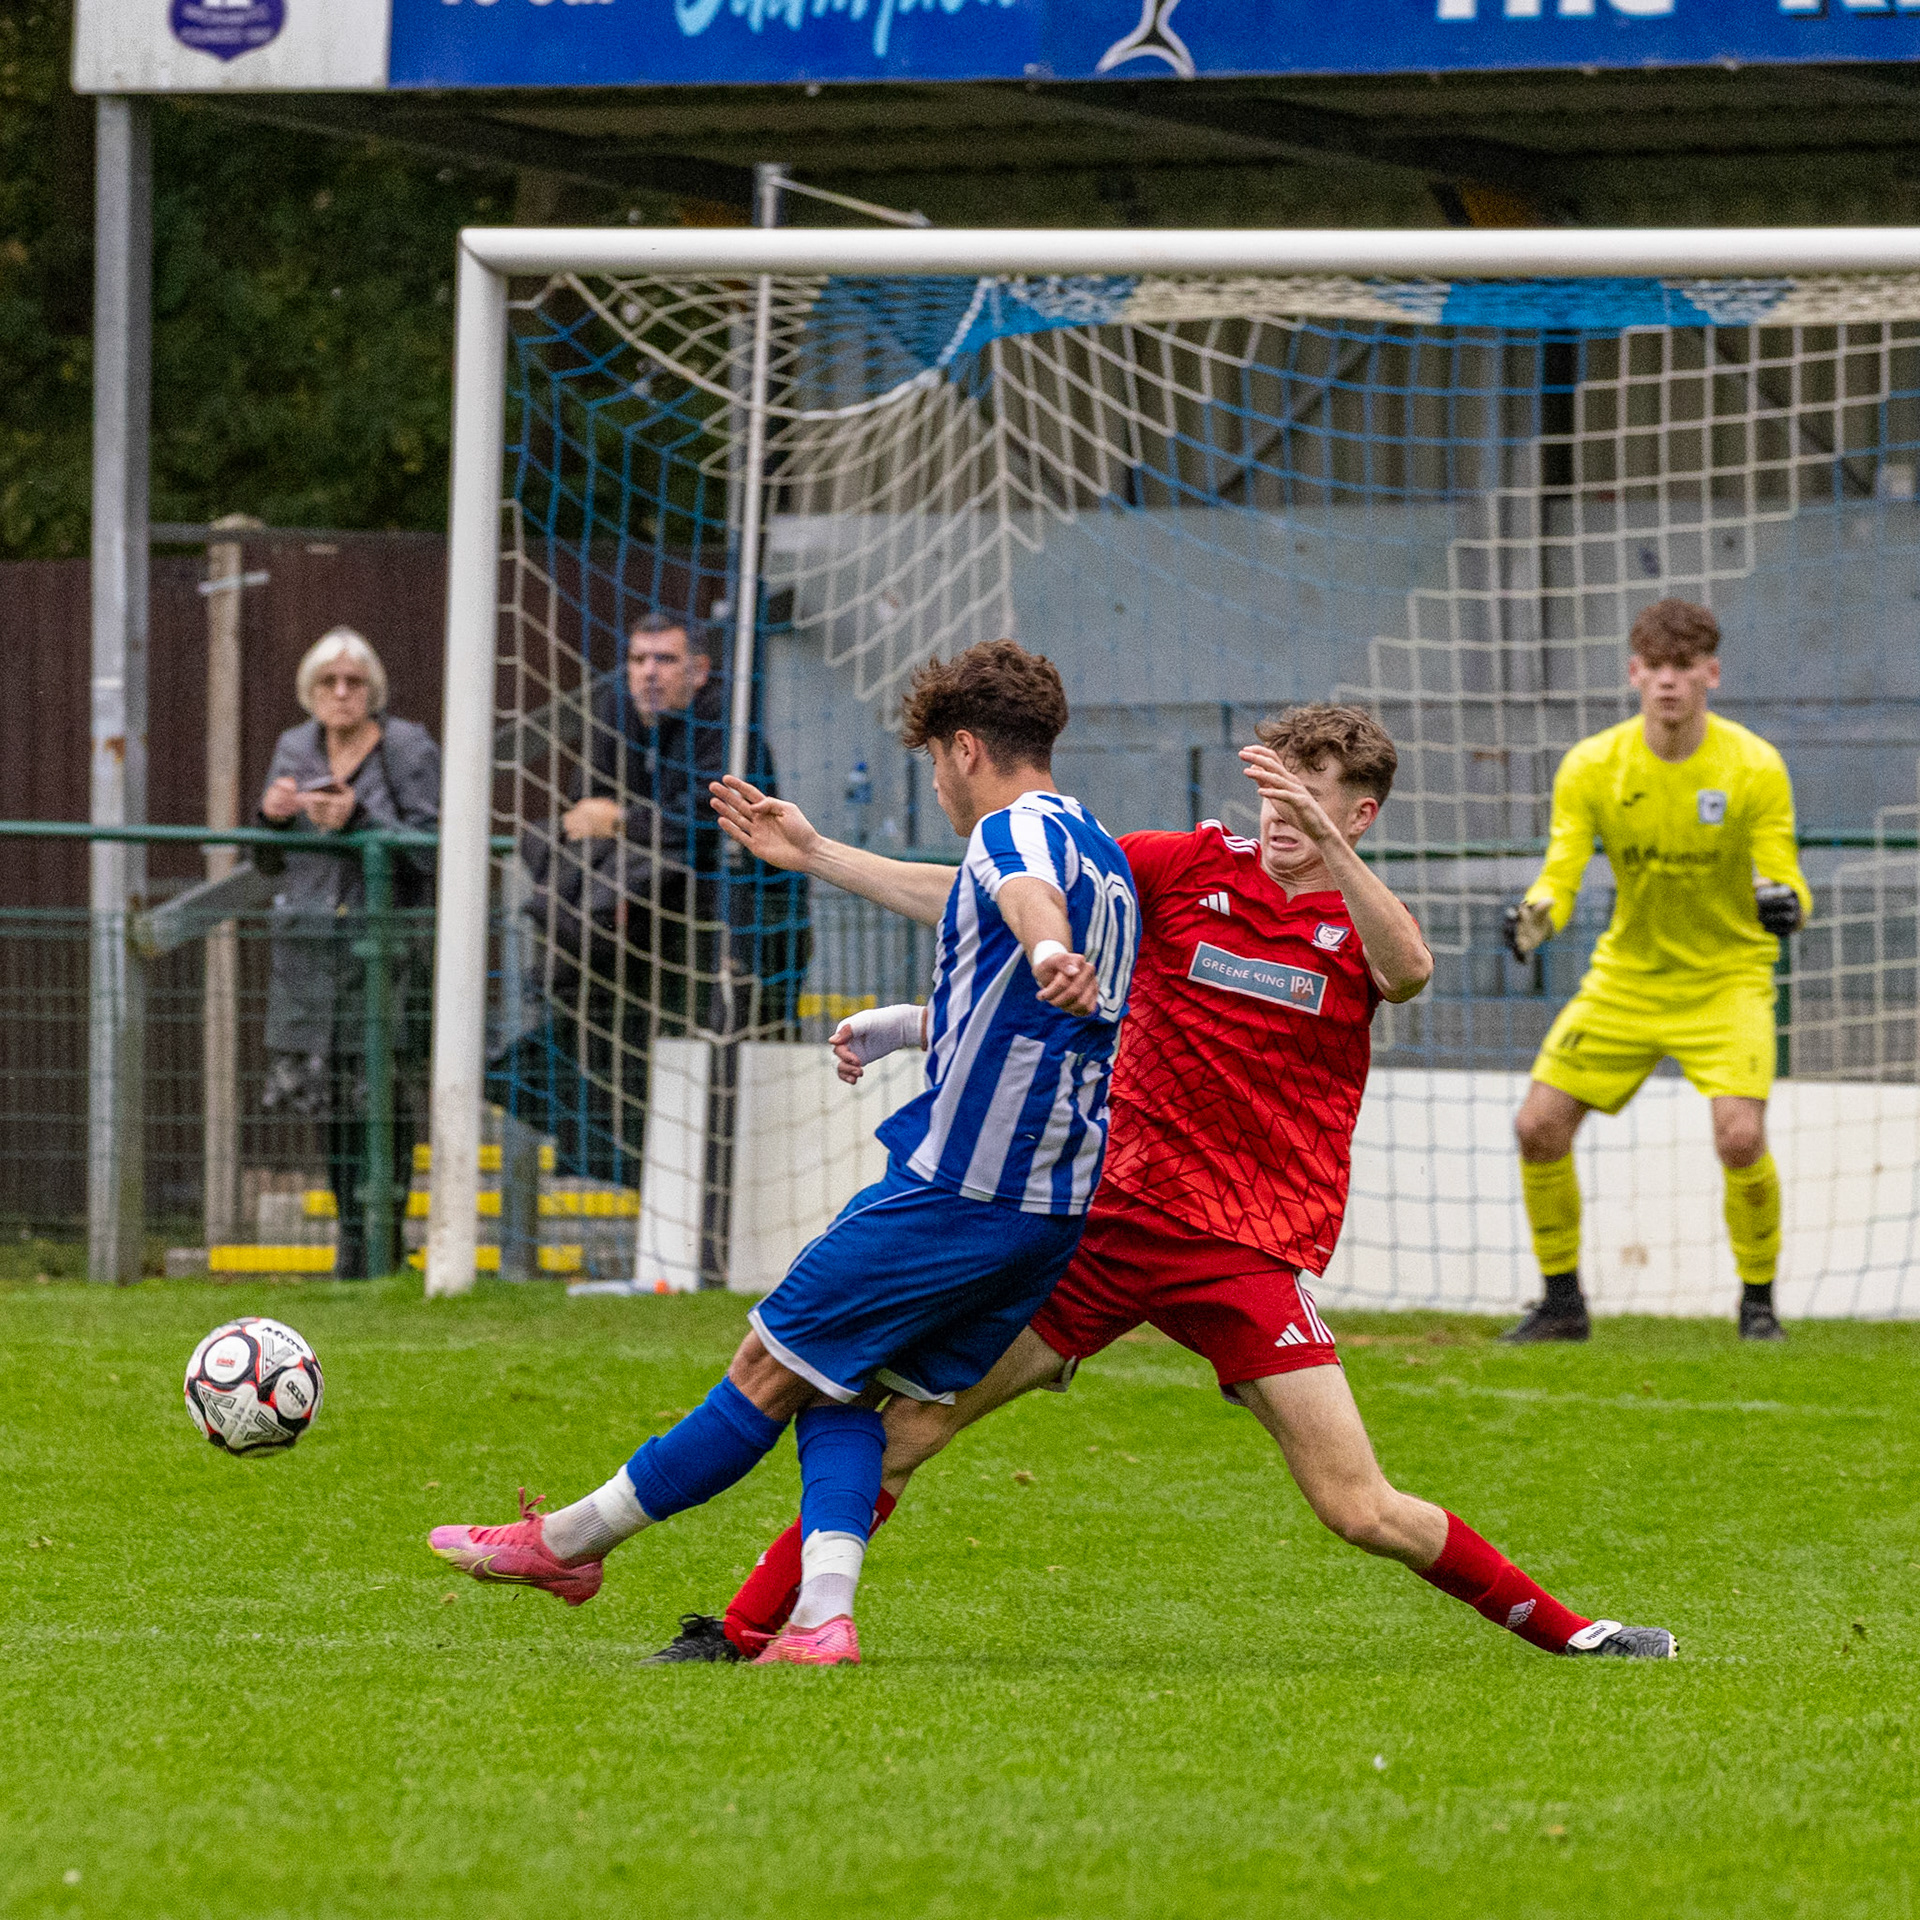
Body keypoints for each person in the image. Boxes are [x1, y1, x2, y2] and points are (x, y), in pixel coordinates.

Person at [648, 704, 1676, 1667]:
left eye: (1309, 803)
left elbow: (1408, 970)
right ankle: (740, 1632)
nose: (1281, 820)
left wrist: (1333, 848)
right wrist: (818, 854)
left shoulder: (1361, 922)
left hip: (1242, 1249)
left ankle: (1579, 1636)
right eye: (1273, 797)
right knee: (906, 1430)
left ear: (1358, 816)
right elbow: (991, 894)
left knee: (1357, 1506)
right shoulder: (1184, 867)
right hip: (1102, 1222)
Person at [431, 640, 1139, 1667]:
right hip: (1045, 1207)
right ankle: (821, 1620)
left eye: (935, 764)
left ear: (967, 749)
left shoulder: (1015, 838)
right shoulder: (1099, 852)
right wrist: (823, 868)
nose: (938, 786)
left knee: (767, 1365)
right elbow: (974, 905)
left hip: (959, 1191)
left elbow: (1020, 896)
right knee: (842, 1385)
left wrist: (1046, 948)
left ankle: (568, 1545)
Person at [1500, 598, 1810, 1345]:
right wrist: (1536, 916)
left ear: (1712, 674)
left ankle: (1758, 1307)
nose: (1669, 682)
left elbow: (1788, 881)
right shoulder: (1592, 765)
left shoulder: (1754, 766)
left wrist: (1785, 905)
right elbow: (1561, 875)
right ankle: (1562, 1305)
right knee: (1537, 1126)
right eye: (1656, 668)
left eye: (1684, 667)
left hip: (1728, 979)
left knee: (1740, 1138)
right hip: (1628, 980)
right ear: (1633, 673)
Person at [494, 612, 807, 1195]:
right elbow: (582, 815)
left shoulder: (729, 730)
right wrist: (618, 825)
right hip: (639, 941)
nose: (649, 673)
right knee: (597, 1052)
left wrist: (622, 821)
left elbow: (708, 826)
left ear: (699, 670)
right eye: (638, 660)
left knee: (711, 1079)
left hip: (731, 934)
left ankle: (707, 1196)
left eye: (665, 659)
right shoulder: (615, 716)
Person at [259, 627, 440, 1280]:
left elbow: (430, 850)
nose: (341, 693)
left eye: (354, 682)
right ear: (309, 692)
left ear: (374, 691)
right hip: (311, 952)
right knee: (329, 1103)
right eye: (328, 682)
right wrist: (271, 817)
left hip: (386, 952)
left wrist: (358, 820)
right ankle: (350, 1241)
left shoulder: (407, 747)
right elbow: (266, 861)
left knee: (383, 1099)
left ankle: (385, 1242)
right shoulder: (294, 747)